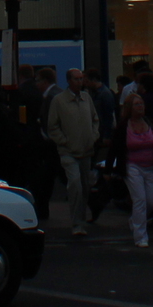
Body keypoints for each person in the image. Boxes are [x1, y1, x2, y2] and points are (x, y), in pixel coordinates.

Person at [47, 68, 101, 238]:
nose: (80, 82)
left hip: (86, 150)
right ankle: (77, 223)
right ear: (69, 81)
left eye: (81, 78)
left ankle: (81, 220)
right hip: (68, 152)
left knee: (84, 187)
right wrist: (64, 141)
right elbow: (52, 126)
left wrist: (93, 136)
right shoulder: (59, 101)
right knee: (75, 184)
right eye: (76, 79)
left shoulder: (87, 98)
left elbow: (94, 119)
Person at [120, 91, 153, 248]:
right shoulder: (124, 125)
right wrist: (110, 169)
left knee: (152, 201)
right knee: (140, 200)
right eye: (136, 104)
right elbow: (116, 147)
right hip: (132, 165)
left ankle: (135, 220)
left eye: (141, 104)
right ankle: (141, 236)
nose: (140, 106)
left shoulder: (149, 122)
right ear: (129, 107)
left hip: (149, 167)